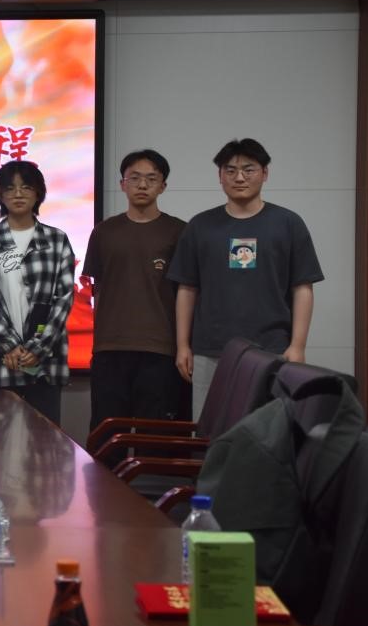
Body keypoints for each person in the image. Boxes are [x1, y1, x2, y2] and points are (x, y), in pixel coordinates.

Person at [168, 138, 323, 420]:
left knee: (267, 432)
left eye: (249, 169)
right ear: (220, 176)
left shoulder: (288, 223)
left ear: (265, 173)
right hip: (210, 350)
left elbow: (302, 287)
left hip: (273, 349)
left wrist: (298, 345)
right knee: (209, 430)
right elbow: (187, 288)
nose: (239, 177)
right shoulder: (200, 225)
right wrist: (182, 345)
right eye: (230, 170)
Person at [82, 150, 188, 431]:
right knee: (107, 435)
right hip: (109, 349)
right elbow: (97, 290)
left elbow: (187, 293)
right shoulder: (104, 232)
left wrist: (183, 346)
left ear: (163, 186)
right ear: (122, 184)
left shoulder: (179, 232)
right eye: (135, 178)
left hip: (160, 349)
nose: (142, 185)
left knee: (154, 437)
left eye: (151, 179)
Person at [0, 161, 75, 424]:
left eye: (26, 187)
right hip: (0, 361)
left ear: (38, 193)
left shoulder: (56, 240)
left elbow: (63, 299)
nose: (18, 194)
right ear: (0, 195)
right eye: (10, 188)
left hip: (45, 363)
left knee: (45, 441)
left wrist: (37, 348)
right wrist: (10, 346)